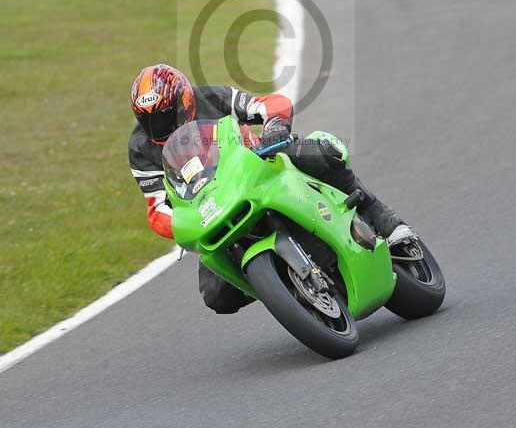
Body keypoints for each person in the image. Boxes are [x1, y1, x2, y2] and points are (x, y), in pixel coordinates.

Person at [129, 63, 414, 314]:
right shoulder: (140, 148)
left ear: (185, 100)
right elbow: (156, 206)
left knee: (320, 153)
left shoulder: (211, 97)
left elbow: (266, 104)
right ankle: (282, 286)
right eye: (149, 120)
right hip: (210, 207)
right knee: (216, 295)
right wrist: (179, 224)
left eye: (166, 115)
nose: (159, 126)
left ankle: (381, 218)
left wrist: (275, 124)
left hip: (259, 165)